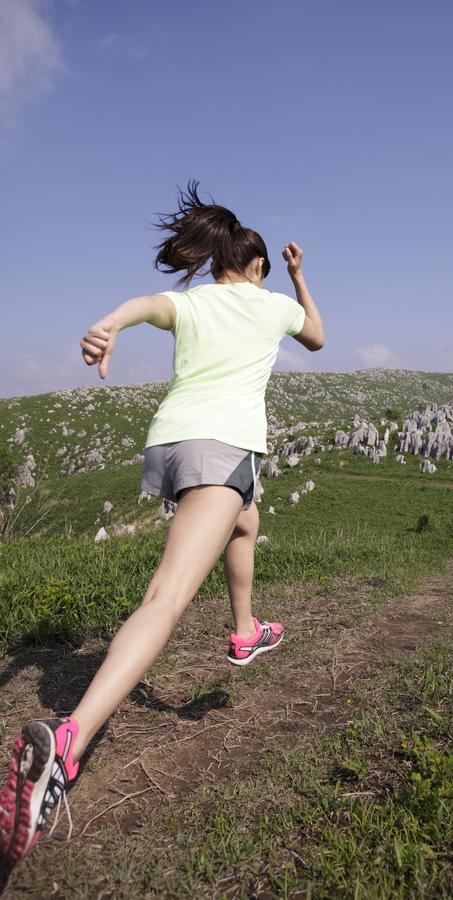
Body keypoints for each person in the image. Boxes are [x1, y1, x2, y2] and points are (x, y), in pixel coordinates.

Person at [0, 181, 325, 863]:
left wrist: (108, 324)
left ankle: (244, 631)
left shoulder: (193, 299)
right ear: (258, 267)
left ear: (213, 262)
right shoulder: (270, 306)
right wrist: (299, 278)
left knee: (245, 518)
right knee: (166, 595)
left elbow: (147, 304)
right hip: (222, 447)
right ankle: (67, 746)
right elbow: (319, 337)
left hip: (172, 445)